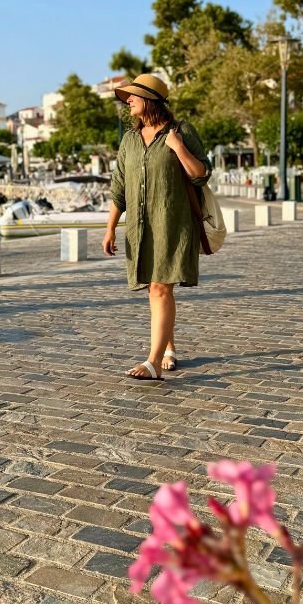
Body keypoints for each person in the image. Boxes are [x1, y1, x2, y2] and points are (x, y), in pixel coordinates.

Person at [102, 73, 211, 381]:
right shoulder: (130, 139)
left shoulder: (181, 131)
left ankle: (152, 362)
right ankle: (168, 348)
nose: (129, 101)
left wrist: (178, 147)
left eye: (133, 96)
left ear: (150, 99)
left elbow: (201, 174)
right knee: (154, 288)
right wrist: (110, 227)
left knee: (162, 288)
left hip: (172, 224)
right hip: (140, 227)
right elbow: (119, 187)